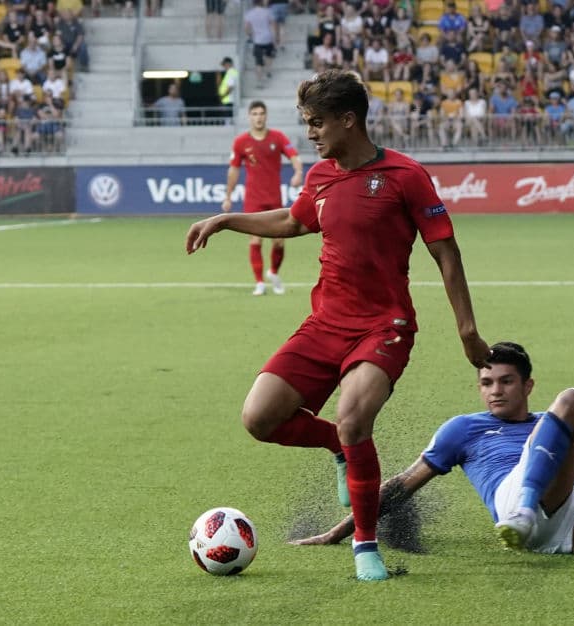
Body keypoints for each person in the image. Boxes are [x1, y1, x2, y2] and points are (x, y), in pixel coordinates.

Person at [186, 70, 490, 581]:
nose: (310, 134)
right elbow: (293, 221)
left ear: (348, 120)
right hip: (324, 323)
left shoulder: (406, 176)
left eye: (317, 123)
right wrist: (225, 220)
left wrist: (467, 331)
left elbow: (447, 254)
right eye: (306, 123)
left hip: (383, 326)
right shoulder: (320, 177)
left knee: (354, 419)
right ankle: (339, 449)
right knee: (259, 418)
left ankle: (366, 549)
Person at [292, 342, 574, 561]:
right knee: (572, 400)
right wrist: (342, 532)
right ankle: (523, 511)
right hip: (515, 504)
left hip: (569, 529)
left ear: (526, 385)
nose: (495, 391)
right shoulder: (463, 429)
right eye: (486, 382)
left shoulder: (550, 433)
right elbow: (401, 486)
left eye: (505, 381)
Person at [221, 100, 303, 295]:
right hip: (253, 199)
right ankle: (259, 282)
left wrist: (298, 172)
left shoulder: (278, 137)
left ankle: (273, 272)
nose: (258, 117)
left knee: (279, 241)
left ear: (266, 116)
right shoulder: (241, 142)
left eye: (261, 113)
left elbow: (294, 156)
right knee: (255, 239)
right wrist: (228, 196)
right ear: (249, 117)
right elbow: (233, 170)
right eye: (255, 114)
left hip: (274, 198)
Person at [217, 57, 238, 122]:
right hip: (227, 100)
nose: (224, 67)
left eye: (224, 65)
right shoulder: (230, 72)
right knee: (227, 117)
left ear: (228, 64)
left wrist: (223, 96)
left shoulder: (231, 72)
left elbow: (230, 87)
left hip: (229, 100)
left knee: (228, 119)